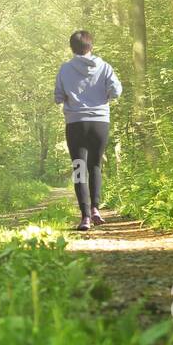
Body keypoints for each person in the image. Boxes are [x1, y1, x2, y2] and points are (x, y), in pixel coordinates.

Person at [54, 29, 122, 231]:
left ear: (71, 48)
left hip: (75, 123)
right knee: (95, 166)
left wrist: (69, 97)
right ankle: (95, 209)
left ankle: (84, 217)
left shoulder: (65, 69)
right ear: (91, 46)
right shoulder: (105, 67)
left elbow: (58, 97)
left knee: (78, 167)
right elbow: (116, 91)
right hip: (100, 122)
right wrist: (104, 96)